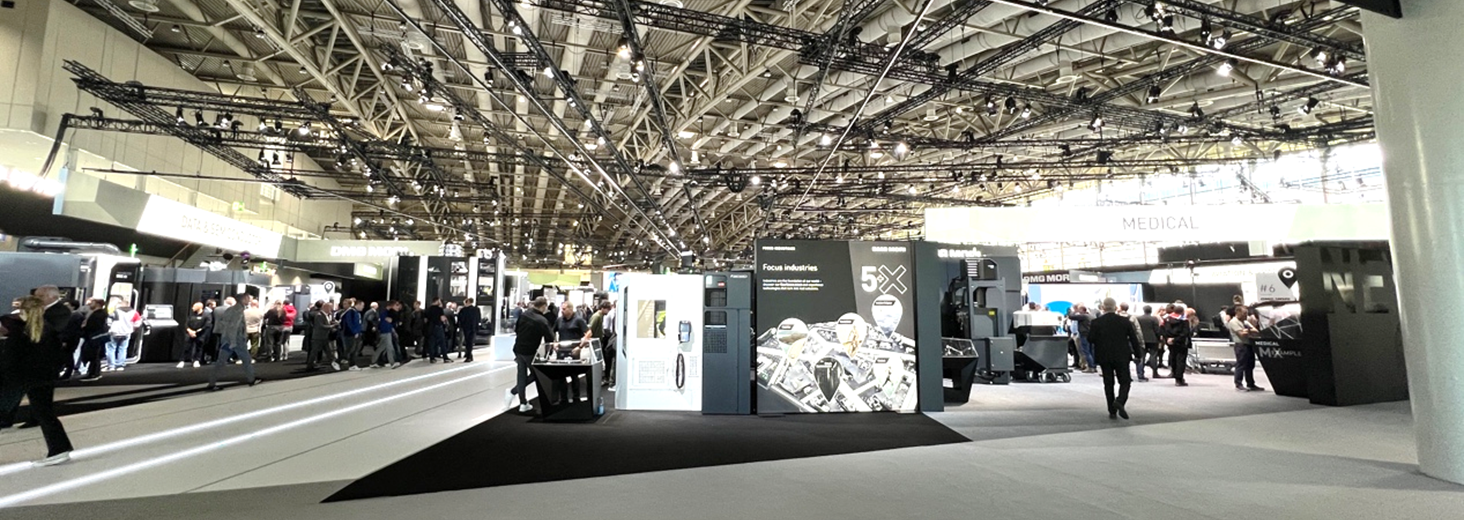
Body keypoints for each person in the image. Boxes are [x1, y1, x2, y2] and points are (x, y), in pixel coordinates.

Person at [0, 296, 75, 466]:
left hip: (22, 379)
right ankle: (60, 448)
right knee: (45, 413)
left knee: (40, 413)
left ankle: (59, 449)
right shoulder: (48, 330)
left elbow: (10, 360)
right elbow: (59, 356)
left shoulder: (21, 333)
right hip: (44, 378)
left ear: (24, 312)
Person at [1090, 298, 1141, 420]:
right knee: (1125, 381)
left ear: (1103, 307)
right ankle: (1120, 400)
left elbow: (1090, 339)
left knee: (1108, 383)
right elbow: (1134, 339)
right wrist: (1138, 354)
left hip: (1104, 356)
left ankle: (1111, 410)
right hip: (1122, 355)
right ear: (1115, 307)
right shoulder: (1124, 321)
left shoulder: (1096, 322)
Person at [207, 294, 261, 391]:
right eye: (247, 298)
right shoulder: (238, 311)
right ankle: (251, 379)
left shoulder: (231, 310)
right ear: (243, 299)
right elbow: (234, 327)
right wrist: (233, 341)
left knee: (221, 362)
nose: (249, 300)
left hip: (227, 339)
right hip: (236, 340)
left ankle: (212, 382)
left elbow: (224, 324)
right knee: (246, 360)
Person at [509, 297, 553, 413]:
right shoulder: (542, 320)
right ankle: (514, 391)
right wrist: (549, 353)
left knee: (521, 375)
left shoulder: (524, 315)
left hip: (518, 349)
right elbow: (550, 338)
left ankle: (522, 402)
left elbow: (517, 330)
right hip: (530, 351)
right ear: (543, 306)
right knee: (537, 374)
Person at [1226, 305, 1265, 392]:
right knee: (1241, 365)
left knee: (1250, 365)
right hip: (1241, 345)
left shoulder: (1245, 322)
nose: (1246, 315)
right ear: (1238, 312)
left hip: (1249, 344)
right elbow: (1241, 334)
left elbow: (1256, 331)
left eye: (1246, 314)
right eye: (1244, 313)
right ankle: (1238, 384)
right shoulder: (1233, 322)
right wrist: (1248, 330)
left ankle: (1250, 383)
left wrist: (1246, 330)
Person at [1160, 304, 1192, 386]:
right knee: (1180, 360)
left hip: (1170, 342)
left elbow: (1162, 330)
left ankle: (1174, 373)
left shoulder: (1166, 319)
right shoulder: (1184, 321)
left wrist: (1168, 338)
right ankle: (1179, 379)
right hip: (1181, 343)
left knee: (1173, 358)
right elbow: (1185, 333)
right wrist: (1175, 339)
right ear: (1182, 312)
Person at [105, 298, 140, 371]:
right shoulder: (134, 312)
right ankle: (120, 365)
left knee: (111, 349)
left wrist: (109, 328)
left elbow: (108, 321)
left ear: (121, 304)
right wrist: (132, 329)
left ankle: (111, 366)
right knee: (123, 349)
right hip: (126, 333)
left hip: (114, 332)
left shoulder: (116, 311)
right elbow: (137, 323)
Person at [305, 301, 340, 372]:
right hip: (318, 337)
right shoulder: (319, 315)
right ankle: (309, 366)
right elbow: (321, 326)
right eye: (330, 308)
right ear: (326, 308)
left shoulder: (325, 315)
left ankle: (333, 364)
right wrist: (332, 326)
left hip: (324, 337)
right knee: (314, 352)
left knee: (328, 351)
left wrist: (332, 323)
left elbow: (326, 323)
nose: (331, 310)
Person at [588, 301, 616, 389]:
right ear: (603, 308)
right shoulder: (596, 316)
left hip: (598, 341)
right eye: (608, 309)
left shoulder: (600, 316)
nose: (608, 312)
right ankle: (595, 380)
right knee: (595, 361)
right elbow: (590, 329)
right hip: (594, 342)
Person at [1135, 305, 1163, 381]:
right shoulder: (1154, 319)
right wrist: (1159, 338)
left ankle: (1140, 374)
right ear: (1151, 311)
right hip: (1153, 339)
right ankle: (1155, 373)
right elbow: (1157, 329)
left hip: (1141, 339)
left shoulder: (1138, 318)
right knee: (1153, 356)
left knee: (1142, 357)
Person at [373, 301, 404, 369]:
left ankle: (373, 361)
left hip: (386, 331)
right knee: (389, 347)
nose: (397, 307)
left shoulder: (386, 313)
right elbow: (387, 321)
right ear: (392, 305)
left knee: (381, 347)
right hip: (386, 331)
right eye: (396, 305)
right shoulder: (385, 313)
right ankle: (392, 362)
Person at [1067, 304, 1095, 373]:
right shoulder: (1091, 316)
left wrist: (1074, 311)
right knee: (1091, 351)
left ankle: (1090, 367)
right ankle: (1093, 366)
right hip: (1091, 335)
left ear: (1082, 310)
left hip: (1084, 335)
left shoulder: (1083, 316)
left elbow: (1071, 317)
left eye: (1079, 309)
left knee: (1086, 351)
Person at [180, 302, 209, 368]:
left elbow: (207, 325)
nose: (192, 308)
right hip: (190, 333)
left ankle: (196, 360)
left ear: (199, 307)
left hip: (200, 334)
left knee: (199, 347)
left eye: (194, 306)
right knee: (186, 347)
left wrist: (197, 331)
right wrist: (189, 330)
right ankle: (182, 361)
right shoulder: (191, 315)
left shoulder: (206, 315)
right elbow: (186, 323)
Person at [425, 298, 451, 363]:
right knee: (442, 342)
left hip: (430, 328)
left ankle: (432, 358)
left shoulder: (428, 309)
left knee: (432, 343)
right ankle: (445, 357)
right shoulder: (439, 309)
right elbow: (442, 318)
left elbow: (425, 320)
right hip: (438, 327)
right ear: (436, 301)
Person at [340, 299, 365, 370]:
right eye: (362, 306)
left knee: (355, 350)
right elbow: (349, 323)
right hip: (350, 334)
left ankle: (352, 364)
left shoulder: (357, 312)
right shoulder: (351, 312)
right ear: (358, 305)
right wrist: (354, 332)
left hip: (356, 333)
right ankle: (341, 361)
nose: (363, 307)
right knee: (350, 349)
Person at [457, 298, 481, 363]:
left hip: (466, 328)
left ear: (467, 302)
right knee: (471, 342)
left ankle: (469, 356)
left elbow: (460, 319)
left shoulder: (463, 310)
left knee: (467, 342)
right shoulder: (477, 309)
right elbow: (478, 319)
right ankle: (469, 355)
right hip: (474, 328)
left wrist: (460, 325)